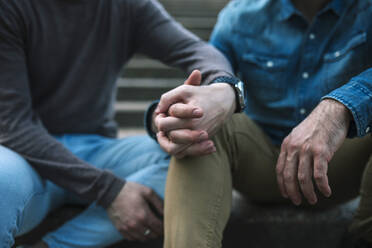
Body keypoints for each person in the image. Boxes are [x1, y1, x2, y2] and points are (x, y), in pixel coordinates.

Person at [0, 0, 236, 247]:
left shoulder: (128, 6)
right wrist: (108, 190)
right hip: (23, 159)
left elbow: (196, 50)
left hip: (96, 150)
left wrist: (222, 87)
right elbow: (14, 127)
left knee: (195, 151)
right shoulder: (10, 8)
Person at [148, 0, 372, 247]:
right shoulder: (240, 15)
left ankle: (363, 236)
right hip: (261, 163)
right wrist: (183, 113)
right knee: (202, 123)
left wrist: (337, 108)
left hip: (342, 167)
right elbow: (208, 77)